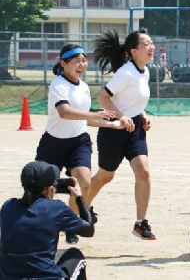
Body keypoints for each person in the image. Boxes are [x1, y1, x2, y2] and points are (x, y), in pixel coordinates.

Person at [35, 44, 121, 244]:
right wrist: (94, 114)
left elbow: (83, 120)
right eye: (76, 61)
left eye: (84, 61)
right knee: (45, 189)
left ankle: (70, 224)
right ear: (63, 64)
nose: (82, 65)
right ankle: (49, 226)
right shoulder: (58, 84)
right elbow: (65, 112)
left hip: (78, 142)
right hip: (53, 143)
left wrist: (111, 124)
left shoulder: (83, 86)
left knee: (84, 181)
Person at [88, 28, 156, 240]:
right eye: (146, 44)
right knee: (105, 176)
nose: (151, 47)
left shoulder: (144, 71)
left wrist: (142, 115)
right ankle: (82, 206)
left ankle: (140, 223)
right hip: (113, 129)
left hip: (134, 129)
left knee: (143, 172)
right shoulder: (126, 73)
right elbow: (103, 98)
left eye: (151, 42)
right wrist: (121, 116)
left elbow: (133, 99)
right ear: (134, 51)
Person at [0, 161, 94, 279]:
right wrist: (79, 198)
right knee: (75, 256)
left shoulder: (8, 206)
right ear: (48, 188)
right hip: (46, 277)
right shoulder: (56, 208)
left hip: (9, 277)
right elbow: (89, 230)